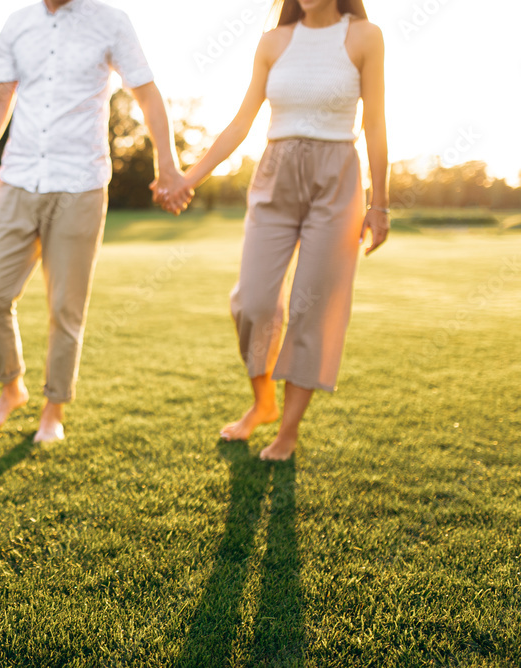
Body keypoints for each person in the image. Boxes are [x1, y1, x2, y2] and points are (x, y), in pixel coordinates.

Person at [161, 0, 389, 461]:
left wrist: (379, 203)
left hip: (337, 176)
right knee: (253, 302)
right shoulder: (273, 41)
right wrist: (188, 177)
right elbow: (242, 123)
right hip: (275, 174)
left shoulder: (366, 36)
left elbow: (375, 122)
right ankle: (262, 400)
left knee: (314, 308)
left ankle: (287, 431)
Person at [0, 0, 190, 444]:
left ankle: (53, 409)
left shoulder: (112, 21)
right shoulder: (18, 23)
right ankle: (12, 388)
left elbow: (146, 92)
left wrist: (169, 165)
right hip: (17, 178)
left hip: (81, 184)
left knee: (66, 307)